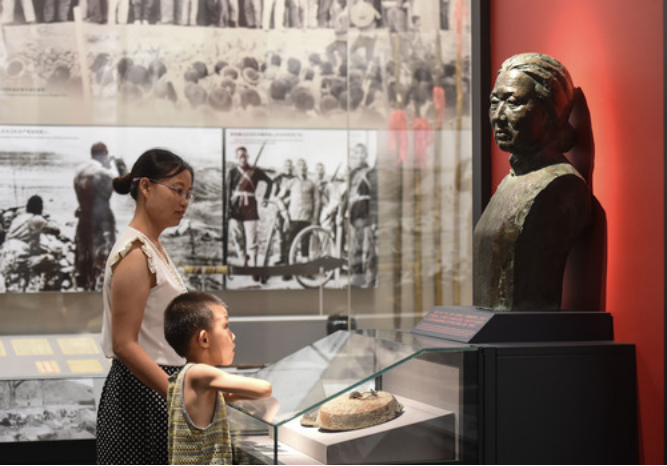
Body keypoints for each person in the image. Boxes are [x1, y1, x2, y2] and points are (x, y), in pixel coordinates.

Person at [96, 148, 195, 465]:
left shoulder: (153, 247)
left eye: (188, 193)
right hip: (142, 395)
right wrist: (179, 396)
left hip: (157, 388)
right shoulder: (136, 253)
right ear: (146, 187)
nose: (184, 201)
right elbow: (124, 344)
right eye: (177, 190)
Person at [473, 53, 592, 311]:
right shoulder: (511, 181)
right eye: (494, 103)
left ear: (551, 114)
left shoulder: (560, 186)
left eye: (513, 102)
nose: (498, 116)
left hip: (526, 330)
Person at [163, 291, 273, 465]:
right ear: (204, 339)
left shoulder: (185, 378)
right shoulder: (199, 372)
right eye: (226, 326)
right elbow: (264, 388)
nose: (233, 335)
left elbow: (228, 398)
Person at [73, 142, 127, 291]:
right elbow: (123, 186)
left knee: (84, 249)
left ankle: (84, 283)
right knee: (105, 252)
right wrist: (117, 165)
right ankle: (102, 285)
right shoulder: (102, 172)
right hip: (101, 218)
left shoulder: (79, 171)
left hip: (84, 215)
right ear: (104, 155)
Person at [226, 146, 273, 269]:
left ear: (248, 157)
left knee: (252, 239)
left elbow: (270, 182)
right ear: (236, 158)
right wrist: (228, 210)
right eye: (240, 156)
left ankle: (253, 266)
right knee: (238, 238)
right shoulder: (232, 172)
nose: (243, 159)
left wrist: (265, 198)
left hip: (250, 208)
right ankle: (243, 262)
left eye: (245, 156)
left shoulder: (255, 171)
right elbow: (227, 193)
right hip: (235, 208)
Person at [279, 158, 318, 277]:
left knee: (305, 245)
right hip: (293, 218)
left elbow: (317, 201)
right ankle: (288, 271)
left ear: (307, 168)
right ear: (296, 169)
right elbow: (278, 198)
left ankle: (305, 272)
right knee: (289, 244)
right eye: (300, 166)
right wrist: (284, 213)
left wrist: (315, 217)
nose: (302, 168)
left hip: (307, 219)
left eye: (304, 166)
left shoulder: (312, 183)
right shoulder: (291, 182)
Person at [348, 143, 377, 287]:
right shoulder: (352, 173)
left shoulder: (372, 172)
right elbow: (347, 195)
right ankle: (357, 280)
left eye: (362, 153)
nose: (359, 156)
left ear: (366, 155)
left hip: (368, 214)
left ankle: (370, 281)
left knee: (369, 250)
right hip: (354, 214)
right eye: (356, 153)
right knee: (355, 249)